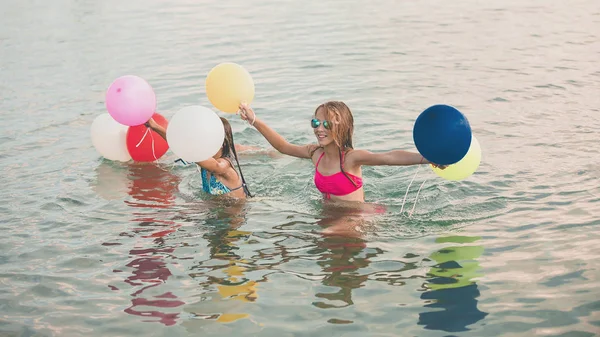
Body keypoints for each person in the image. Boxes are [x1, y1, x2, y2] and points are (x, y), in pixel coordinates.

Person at [238, 101, 445, 202]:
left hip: (356, 220)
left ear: (341, 127)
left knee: (323, 237)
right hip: (329, 217)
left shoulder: (351, 159)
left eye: (326, 124)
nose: (319, 128)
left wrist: (427, 158)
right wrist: (254, 120)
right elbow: (283, 146)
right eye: (316, 122)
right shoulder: (315, 154)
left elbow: (389, 157)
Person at [146, 117, 252, 199]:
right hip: (215, 211)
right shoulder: (205, 159)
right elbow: (179, 145)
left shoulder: (224, 166)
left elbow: (216, 166)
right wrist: (155, 127)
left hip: (234, 213)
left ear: (221, 143)